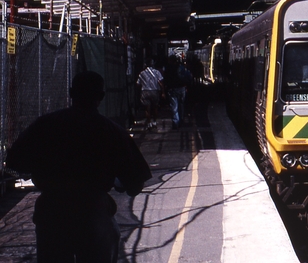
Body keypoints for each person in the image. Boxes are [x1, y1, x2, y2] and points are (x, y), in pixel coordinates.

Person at [5, 71, 152, 263]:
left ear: (71, 93)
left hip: (52, 211)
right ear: (100, 97)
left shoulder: (45, 125)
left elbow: (15, 161)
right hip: (92, 211)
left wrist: (43, 169)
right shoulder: (112, 131)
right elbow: (135, 183)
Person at [163, 55, 192, 129]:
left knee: (174, 106)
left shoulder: (167, 68)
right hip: (182, 88)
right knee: (181, 104)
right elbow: (189, 76)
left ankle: (176, 122)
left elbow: (165, 79)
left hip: (172, 89)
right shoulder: (181, 67)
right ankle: (181, 119)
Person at [137, 59, 163, 129]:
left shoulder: (142, 73)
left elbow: (138, 83)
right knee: (155, 107)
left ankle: (149, 123)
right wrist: (162, 92)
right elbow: (160, 82)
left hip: (145, 91)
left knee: (147, 109)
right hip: (155, 91)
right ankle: (154, 121)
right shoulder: (157, 72)